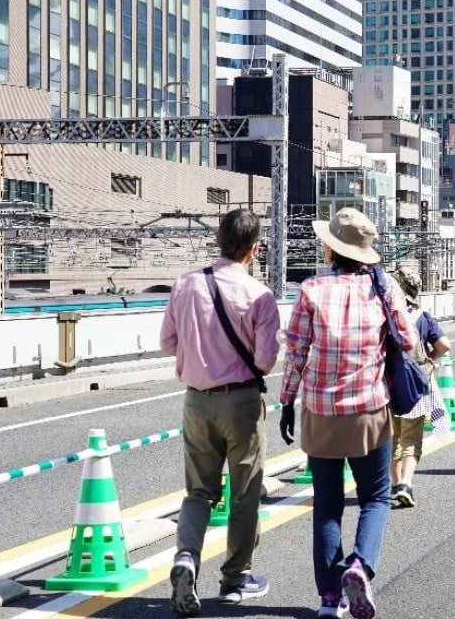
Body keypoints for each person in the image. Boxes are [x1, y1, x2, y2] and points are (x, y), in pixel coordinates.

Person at [279, 207, 416, 619]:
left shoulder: (310, 289)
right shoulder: (383, 287)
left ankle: (327, 598)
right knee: (375, 497)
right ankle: (359, 565)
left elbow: (296, 353)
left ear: (331, 248)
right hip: (370, 410)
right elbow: (408, 340)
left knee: (327, 504)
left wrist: (287, 401)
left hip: (320, 410)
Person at [161, 209, 281, 617]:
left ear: (217, 239)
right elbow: (265, 360)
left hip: (196, 400)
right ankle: (234, 579)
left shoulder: (186, 283)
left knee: (198, 491)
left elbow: (167, 341)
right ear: (255, 248)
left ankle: (187, 558)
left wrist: (199, 353)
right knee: (244, 491)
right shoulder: (260, 295)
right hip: (242, 402)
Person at [389, 266, 452, 508]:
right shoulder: (421, 315)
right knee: (411, 437)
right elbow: (444, 345)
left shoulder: (385, 313)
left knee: (391, 437)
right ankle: (406, 483)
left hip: (389, 385)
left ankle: (394, 485)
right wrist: (428, 362)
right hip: (415, 385)